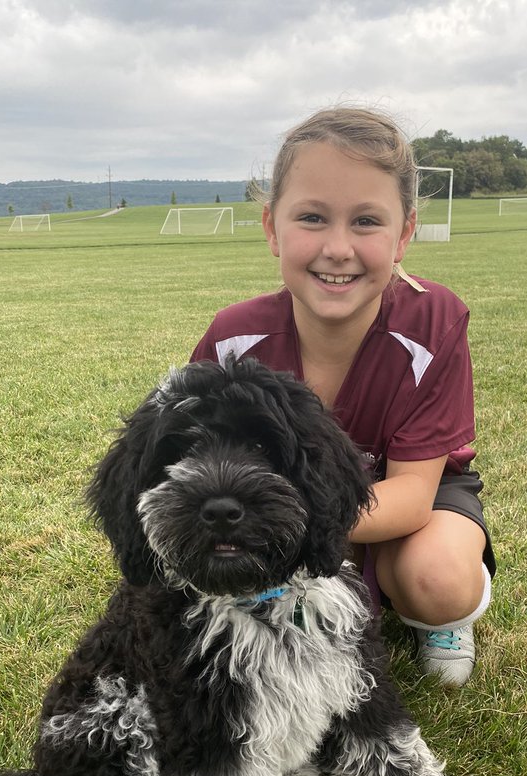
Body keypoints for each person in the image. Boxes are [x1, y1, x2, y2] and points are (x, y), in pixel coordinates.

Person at [190, 106, 495, 686]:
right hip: (275, 501)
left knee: (439, 579)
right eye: (311, 217)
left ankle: (428, 611)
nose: (337, 248)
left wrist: (289, 521)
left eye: (365, 222)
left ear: (404, 233)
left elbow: (409, 492)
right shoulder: (233, 338)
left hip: (408, 499)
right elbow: (197, 468)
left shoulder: (434, 321)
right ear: (271, 227)